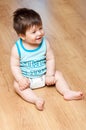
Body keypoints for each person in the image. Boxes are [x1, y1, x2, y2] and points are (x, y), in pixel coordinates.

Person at [10, 8, 83, 111]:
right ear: (22, 36)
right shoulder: (17, 49)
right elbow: (15, 66)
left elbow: (50, 59)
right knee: (16, 85)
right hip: (28, 80)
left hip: (44, 76)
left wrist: (49, 74)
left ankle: (67, 92)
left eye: (40, 28)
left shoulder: (45, 43)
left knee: (58, 74)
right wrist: (21, 79)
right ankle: (35, 99)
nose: (39, 33)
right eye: (34, 32)